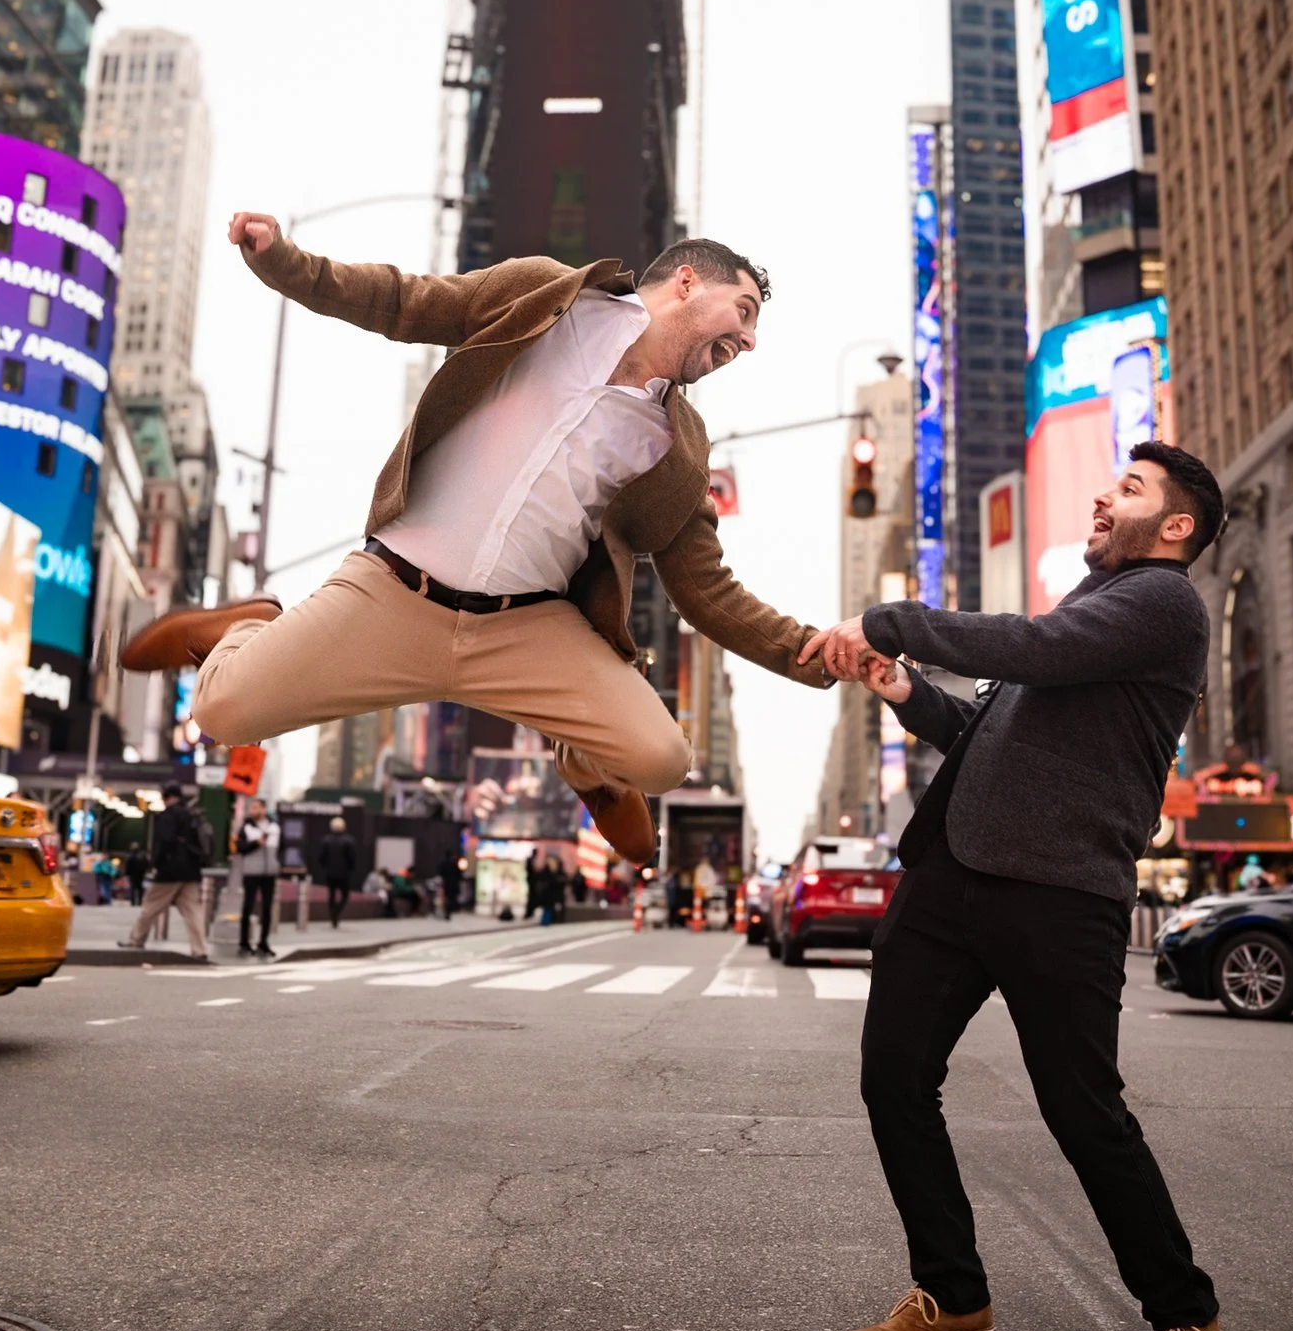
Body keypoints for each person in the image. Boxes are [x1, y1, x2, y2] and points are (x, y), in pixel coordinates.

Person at [113, 214, 833, 871]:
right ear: (685, 281)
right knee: (218, 713)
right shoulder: (546, 298)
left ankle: (582, 762)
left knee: (661, 759)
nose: (748, 342)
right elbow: (405, 301)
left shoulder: (680, 447)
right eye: (742, 313)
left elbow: (708, 590)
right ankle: (249, 628)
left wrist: (815, 654)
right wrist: (288, 265)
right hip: (393, 592)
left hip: (526, 629)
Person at [805, 443, 1229, 1331]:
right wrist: (906, 689)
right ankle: (953, 1296)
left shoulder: (1163, 603)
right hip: (951, 878)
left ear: (1175, 527)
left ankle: (1185, 1315)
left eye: (1128, 489)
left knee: (1083, 1111)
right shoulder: (1098, 604)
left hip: (1061, 894)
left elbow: (1031, 649)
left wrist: (891, 619)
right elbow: (986, 736)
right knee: (894, 1079)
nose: (1102, 496)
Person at [123, 787, 212, 961]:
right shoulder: (192, 815)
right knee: (193, 911)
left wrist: (156, 863)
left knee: (151, 904)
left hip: (170, 870)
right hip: (192, 870)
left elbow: (165, 842)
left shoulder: (167, 816)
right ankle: (200, 949)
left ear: (166, 797)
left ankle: (136, 939)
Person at [236, 808, 282, 959]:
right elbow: (240, 848)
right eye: (252, 807)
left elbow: (282, 847)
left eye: (256, 807)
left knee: (267, 908)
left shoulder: (274, 828)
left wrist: (276, 864)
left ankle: (263, 942)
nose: (253, 810)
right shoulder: (247, 827)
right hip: (251, 872)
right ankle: (244, 942)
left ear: (263, 809)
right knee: (248, 906)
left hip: (269, 873)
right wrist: (256, 843)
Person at [319, 818, 361, 929]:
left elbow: (321, 857)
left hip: (330, 872)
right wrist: (351, 869)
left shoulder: (326, 840)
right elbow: (352, 858)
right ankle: (336, 911)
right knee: (345, 895)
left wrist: (325, 867)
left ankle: (332, 913)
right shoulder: (349, 841)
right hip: (344, 873)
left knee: (331, 895)